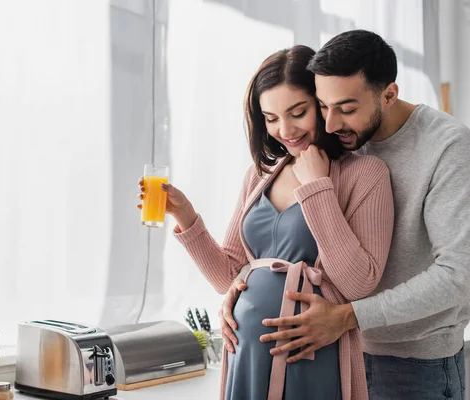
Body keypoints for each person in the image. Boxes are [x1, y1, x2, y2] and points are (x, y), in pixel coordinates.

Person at [220, 30, 470, 400]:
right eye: (323, 106)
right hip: (330, 351)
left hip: (412, 362)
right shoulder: (335, 145)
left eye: (347, 109)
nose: (332, 123)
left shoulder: (447, 147)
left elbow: (459, 275)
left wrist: (347, 317)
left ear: (388, 95)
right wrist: (241, 287)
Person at [138, 45, 394, 399]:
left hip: (312, 354)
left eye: (297, 112)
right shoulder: (259, 177)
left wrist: (318, 189)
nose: (285, 130)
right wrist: (185, 214)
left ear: (321, 105)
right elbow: (229, 275)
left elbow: (359, 283)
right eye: (271, 118)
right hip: (246, 353)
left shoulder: (364, 175)